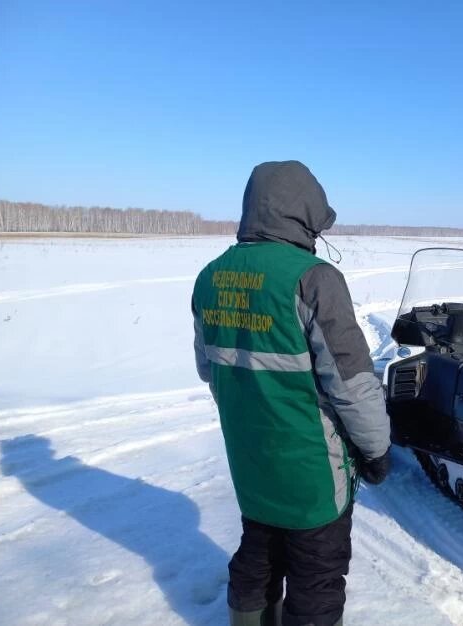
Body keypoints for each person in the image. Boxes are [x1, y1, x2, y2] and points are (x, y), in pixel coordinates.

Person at [191, 161, 391, 626]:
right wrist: (376, 451)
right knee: (317, 579)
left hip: (250, 464)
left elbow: (210, 370)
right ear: (304, 214)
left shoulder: (209, 278)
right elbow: (354, 385)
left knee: (257, 556)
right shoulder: (314, 280)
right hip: (312, 477)